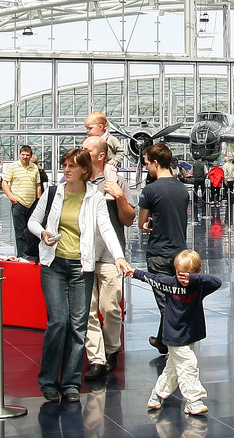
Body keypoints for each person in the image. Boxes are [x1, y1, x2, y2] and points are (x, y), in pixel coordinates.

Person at [29, 148, 131, 402]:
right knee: (58, 322)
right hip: (54, 265)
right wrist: (42, 233)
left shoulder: (94, 196)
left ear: (84, 170)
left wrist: (118, 256)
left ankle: (71, 382)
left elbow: (106, 228)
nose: (66, 169)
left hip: (80, 267)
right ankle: (49, 381)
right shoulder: (54, 193)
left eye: (72, 166)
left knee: (78, 325)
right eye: (65, 165)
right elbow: (33, 221)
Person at [131, 249, 221, 416]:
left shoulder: (199, 286)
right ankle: (193, 401)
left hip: (189, 334)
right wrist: (135, 272)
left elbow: (216, 282)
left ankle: (156, 395)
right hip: (173, 335)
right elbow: (152, 278)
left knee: (172, 368)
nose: (182, 277)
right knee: (189, 363)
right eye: (179, 273)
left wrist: (194, 279)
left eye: (187, 274)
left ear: (195, 274)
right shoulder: (170, 283)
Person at [82, 135, 136, 383]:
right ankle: (97, 358)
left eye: (87, 149)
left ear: (101, 155)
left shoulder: (117, 181)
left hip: (110, 257)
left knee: (110, 307)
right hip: (83, 255)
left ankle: (112, 348)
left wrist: (120, 197)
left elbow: (128, 220)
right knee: (89, 310)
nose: (81, 152)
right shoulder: (77, 181)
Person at [135, 142, 189, 355]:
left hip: (158, 252)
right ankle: (161, 340)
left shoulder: (150, 190)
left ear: (156, 163)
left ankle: (178, 345)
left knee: (164, 301)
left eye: (147, 163)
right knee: (173, 295)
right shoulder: (182, 188)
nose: (147, 167)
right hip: (180, 251)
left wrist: (148, 223)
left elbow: (141, 222)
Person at [3, 145, 43, 261]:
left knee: (31, 229)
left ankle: (30, 251)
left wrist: (38, 200)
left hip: (32, 204)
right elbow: (5, 183)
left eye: (27, 155)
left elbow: (37, 185)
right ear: (20, 155)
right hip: (18, 203)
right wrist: (11, 197)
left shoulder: (34, 168)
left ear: (31, 156)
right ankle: (21, 254)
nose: (25, 157)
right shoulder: (13, 167)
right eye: (23, 154)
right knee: (20, 230)